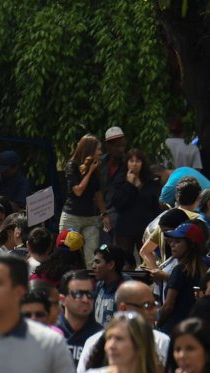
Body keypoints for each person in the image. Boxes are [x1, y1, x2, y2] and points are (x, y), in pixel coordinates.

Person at [61, 134, 109, 263]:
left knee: (91, 257)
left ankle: (92, 280)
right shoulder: (72, 165)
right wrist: (90, 172)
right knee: (67, 256)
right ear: (89, 150)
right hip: (72, 217)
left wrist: (104, 213)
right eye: (98, 149)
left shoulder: (96, 165)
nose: (100, 152)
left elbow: (97, 193)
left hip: (91, 218)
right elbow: (78, 191)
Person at [110, 148, 162, 260]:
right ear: (127, 163)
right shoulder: (120, 179)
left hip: (145, 228)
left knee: (148, 261)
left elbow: (155, 206)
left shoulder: (150, 181)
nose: (134, 164)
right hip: (125, 228)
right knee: (123, 261)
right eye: (131, 161)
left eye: (138, 161)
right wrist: (129, 185)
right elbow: (117, 204)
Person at [160, 222, 207, 332]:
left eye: (178, 241)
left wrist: (159, 324)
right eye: (172, 241)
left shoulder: (180, 270)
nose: (172, 244)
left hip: (173, 330)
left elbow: (168, 307)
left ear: (191, 245)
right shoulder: (205, 267)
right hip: (195, 329)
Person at [92, 245, 125, 328]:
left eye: (97, 262)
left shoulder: (126, 291)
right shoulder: (99, 285)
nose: (93, 266)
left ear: (110, 265)